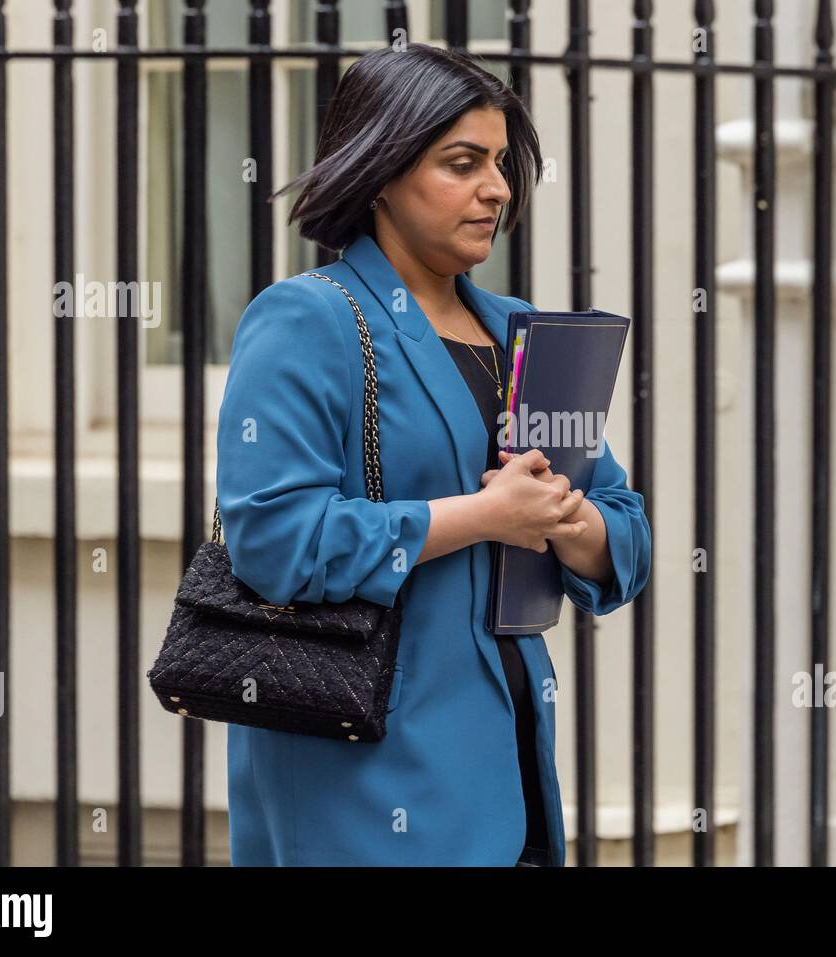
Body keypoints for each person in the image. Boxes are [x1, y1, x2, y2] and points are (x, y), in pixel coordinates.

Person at [216, 42, 651, 866]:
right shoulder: (308, 320)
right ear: (380, 171)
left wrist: (567, 518)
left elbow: (623, 534)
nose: (496, 187)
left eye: (500, 162)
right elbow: (273, 540)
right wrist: (485, 516)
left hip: (511, 767)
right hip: (364, 773)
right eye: (462, 162)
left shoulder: (521, 331)